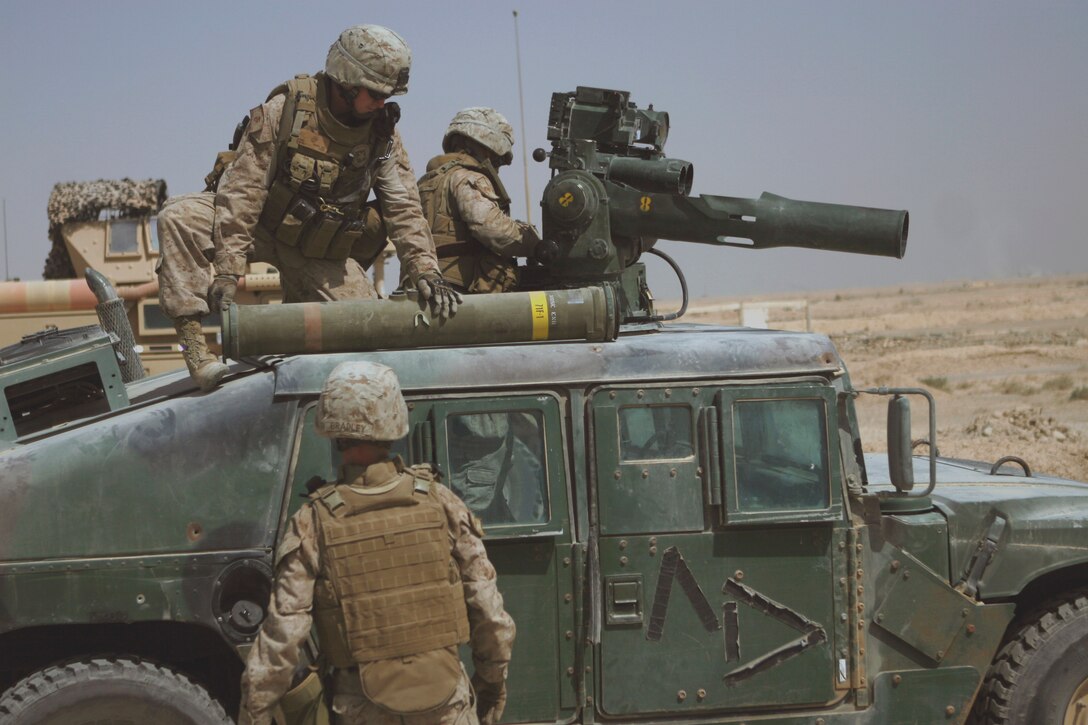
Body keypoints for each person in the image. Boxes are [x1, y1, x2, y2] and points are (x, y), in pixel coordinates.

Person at [158, 25, 461, 391]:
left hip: (321, 251)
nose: (383, 103)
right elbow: (244, 190)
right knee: (178, 217)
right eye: (375, 92)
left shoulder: (382, 134)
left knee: (367, 336)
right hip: (262, 228)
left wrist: (426, 269)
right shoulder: (285, 110)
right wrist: (227, 270)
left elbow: (404, 206)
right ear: (347, 81)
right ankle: (196, 351)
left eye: (388, 95)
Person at [239, 361, 514, 725]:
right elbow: (488, 610)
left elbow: (283, 634)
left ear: (335, 434)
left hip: (361, 707)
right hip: (446, 701)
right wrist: (493, 679)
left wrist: (255, 710)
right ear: (394, 427)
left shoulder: (314, 521)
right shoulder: (441, 501)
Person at [417, 108, 541, 294]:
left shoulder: (428, 181)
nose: (497, 166)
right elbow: (492, 229)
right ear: (484, 145)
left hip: (426, 283)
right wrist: (534, 242)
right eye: (497, 160)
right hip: (457, 291)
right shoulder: (468, 177)